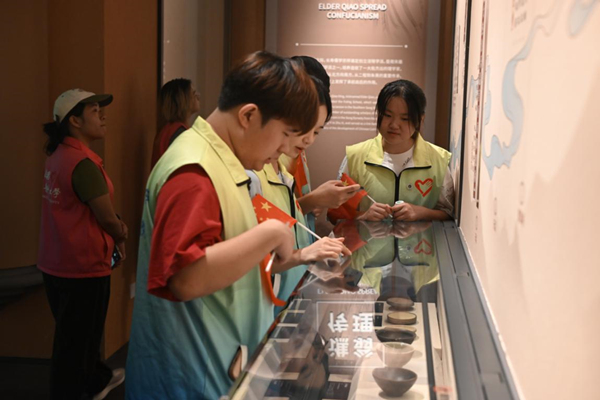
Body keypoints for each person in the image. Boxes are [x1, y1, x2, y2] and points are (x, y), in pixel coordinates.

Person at [125, 51, 320, 400]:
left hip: (218, 370)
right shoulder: (195, 170)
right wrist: (271, 233)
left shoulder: (221, 163)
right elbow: (186, 278)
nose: (285, 148)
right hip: (193, 381)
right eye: (285, 134)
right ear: (248, 116)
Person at [38, 89, 128, 400]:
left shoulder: (58, 156)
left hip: (56, 264)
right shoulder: (83, 164)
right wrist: (122, 233)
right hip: (83, 267)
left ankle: (95, 381)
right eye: (94, 111)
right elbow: (106, 218)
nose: (102, 116)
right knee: (77, 342)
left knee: (73, 338)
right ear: (75, 121)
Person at [247, 71, 351, 315]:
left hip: (290, 300)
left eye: (316, 131)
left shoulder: (282, 170)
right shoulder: (251, 173)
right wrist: (304, 254)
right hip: (267, 307)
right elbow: (253, 260)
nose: (308, 140)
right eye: (303, 128)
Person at [339, 79, 455, 221]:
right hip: (366, 236)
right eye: (387, 115)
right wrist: (364, 215)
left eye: (405, 118)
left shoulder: (438, 160)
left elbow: (449, 215)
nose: (394, 125)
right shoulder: (356, 156)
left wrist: (421, 213)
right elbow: (335, 213)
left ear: (420, 119)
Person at [280, 56, 360, 231]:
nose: (309, 139)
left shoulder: (296, 146)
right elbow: (268, 216)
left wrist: (314, 201)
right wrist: (313, 200)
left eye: (316, 131)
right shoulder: (267, 157)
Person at [150, 78, 201, 167]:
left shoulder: (168, 130)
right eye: (193, 94)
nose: (198, 96)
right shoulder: (179, 133)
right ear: (181, 101)